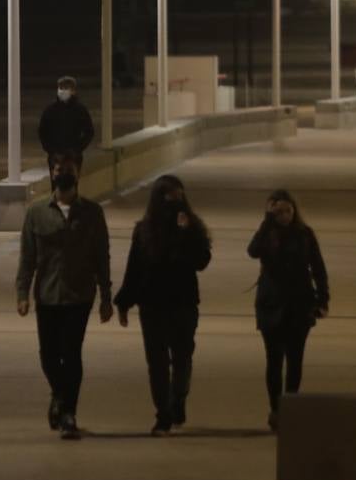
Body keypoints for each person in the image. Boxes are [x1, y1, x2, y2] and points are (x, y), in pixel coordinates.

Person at [16, 155, 112, 440]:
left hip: (79, 295)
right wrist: (22, 293)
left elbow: (101, 256)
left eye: (68, 170)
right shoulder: (36, 214)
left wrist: (106, 296)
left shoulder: (92, 213)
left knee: (71, 354)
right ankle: (59, 395)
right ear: (52, 173)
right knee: (48, 356)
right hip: (47, 295)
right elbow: (27, 257)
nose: (63, 174)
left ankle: (68, 412)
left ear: (78, 173)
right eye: (59, 170)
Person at [115, 174, 212, 436]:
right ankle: (163, 413)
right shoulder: (144, 230)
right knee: (156, 362)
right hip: (152, 304)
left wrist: (186, 233)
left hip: (183, 303)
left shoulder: (192, 227)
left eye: (179, 198)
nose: (175, 204)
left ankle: (178, 397)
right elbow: (134, 268)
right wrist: (124, 302)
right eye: (169, 198)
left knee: (182, 358)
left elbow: (202, 260)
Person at [248, 190, 329, 432]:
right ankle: (276, 408)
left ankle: (290, 406)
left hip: (299, 305)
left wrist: (323, 299)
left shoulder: (305, 235)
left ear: (295, 210)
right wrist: (266, 222)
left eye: (288, 211)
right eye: (279, 212)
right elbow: (252, 251)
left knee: (294, 361)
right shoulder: (267, 235)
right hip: (271, 305)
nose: (284, 216)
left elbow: (318, 268)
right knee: (274, 361)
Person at [38, 76, 95, 170]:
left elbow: (89, 131)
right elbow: (42, 131)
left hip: (73, 156)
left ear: (73, 91)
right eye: (60, 88)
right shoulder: (50, 110)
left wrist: (77, 149)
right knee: (56, 184)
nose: (62, 91)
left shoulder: (80, 110)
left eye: (66, 88)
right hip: (55, 156)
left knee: (71, 183)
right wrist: (50, 150)